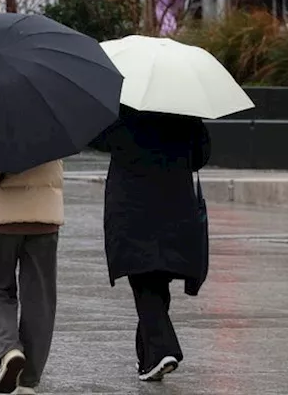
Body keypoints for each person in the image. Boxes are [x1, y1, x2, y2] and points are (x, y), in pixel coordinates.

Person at [90, 106, 210, 382]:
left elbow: (97, 139)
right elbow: (200, 157)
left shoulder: (123, 113)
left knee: (144, 280)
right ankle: (147, 359)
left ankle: (163, 350)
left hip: (133, 209)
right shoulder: (185, 112)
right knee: (157, 279)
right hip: (175, 207)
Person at [0, 160, 65, 395]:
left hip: (1, 220)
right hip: (45, 219)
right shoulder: (54, 126)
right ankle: (28, 381)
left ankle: (10, 349)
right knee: (40, 298)